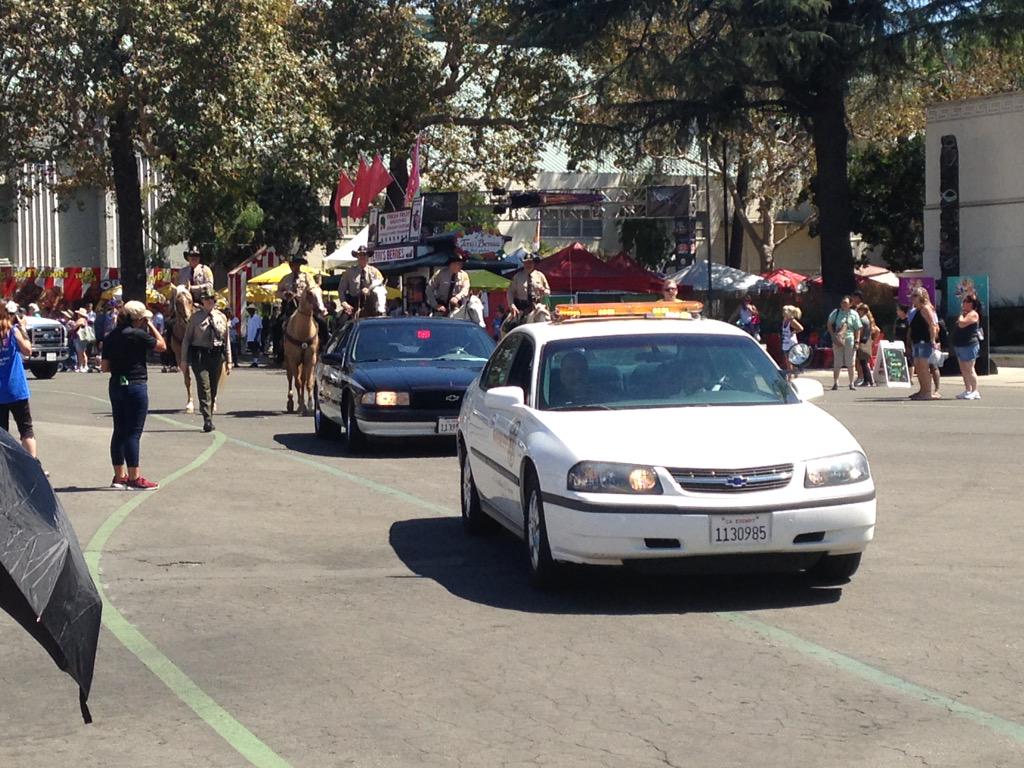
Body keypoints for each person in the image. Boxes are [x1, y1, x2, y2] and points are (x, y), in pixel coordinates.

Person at [102, 300, 166, 490]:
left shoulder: (111, 336)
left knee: (119, 430)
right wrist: (152, 326)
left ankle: (118, 476)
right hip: (135, 383)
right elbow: (162, 346)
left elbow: (105, 367)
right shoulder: (138, 334)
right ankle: (134, 477)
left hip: (116, 383)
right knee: (133, 433)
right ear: (139, 318)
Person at [180, 285, 231, 432]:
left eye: (212, 299)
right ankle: (207, 419)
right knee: (204, 386)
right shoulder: (195, 318)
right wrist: (183, 360)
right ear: (202, 301)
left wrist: (229, 360)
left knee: (213, 387)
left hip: (216, 356)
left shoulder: (221, 317)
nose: (210, 302)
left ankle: (210, 412)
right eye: (207, 300)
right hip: (200, 356)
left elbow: (226, 339)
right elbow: (186, 340)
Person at [0, 301, 40, 465]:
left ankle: (4, 467)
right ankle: (33, 465)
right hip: (16, 388)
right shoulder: (13, 331)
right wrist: (23, 327)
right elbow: (28, 350)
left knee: (2, 432)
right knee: (26, 429)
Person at [908, 287, 939, 400]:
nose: (913, 298)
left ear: (922, 297)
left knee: (923, 367)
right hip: (917, 341)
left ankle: (927, 392)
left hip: (924, 342)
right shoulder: (917, 310)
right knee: (919, 367)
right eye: (912, 295)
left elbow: (933, 325)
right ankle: (922, 390)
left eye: (915, 296)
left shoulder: (926, 309)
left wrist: (932, 340)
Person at [339, 247, 385, 319]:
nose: (362, 257)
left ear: (368, 257)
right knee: (342, 321)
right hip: (353, 303)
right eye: (360, 255)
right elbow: (341, 290)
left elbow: (380, 285)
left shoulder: (375, 271)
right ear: (357, 257)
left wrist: (369, 290)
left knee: (382, 319)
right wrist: (344, 303)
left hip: (370, 302)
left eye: (365, 255)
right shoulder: (349, 272)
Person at [827, 296, 862, 390]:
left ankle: (851, 383)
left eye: (846, 303)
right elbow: (829, 323)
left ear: (850, 304)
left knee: (851, 362)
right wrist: (832, 335)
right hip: (838, 338)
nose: (844, 305)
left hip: (850, 339)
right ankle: (835, 382)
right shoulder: (836, 312)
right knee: (837, 362)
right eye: (842, 303)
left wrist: (857, 341)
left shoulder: (854, 314)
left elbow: (858, 328)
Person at [953, 293, 982, 400]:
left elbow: (962, 323)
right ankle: (967, 389)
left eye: (966, 302)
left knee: (970, 368)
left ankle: (975, 391)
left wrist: (961, 315)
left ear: (972, 304)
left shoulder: (973, 314)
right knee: (963, 369)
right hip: (960, 344)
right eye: (964, 301)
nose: (964, 303)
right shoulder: (965, 313)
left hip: (969, 345)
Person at [506, 253, 551, 319]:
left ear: (534, 263)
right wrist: (512, 305)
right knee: (509, 324)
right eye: (526, 263)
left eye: (530, 263)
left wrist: (544, 291)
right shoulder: (517, 276)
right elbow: (510, 292)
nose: (528, 265)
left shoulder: (540, 275)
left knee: (546, 320)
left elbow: (548, 290)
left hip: (537, 307)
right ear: (523, 264)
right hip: (521, 308)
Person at [854, 303, 879, 387]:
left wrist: (857, 340)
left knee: (864, 363)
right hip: (867, 342)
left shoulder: (862, 320)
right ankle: (869, 380)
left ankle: (868, 381)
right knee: (864, 362)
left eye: (859, 310)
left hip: (863, 342)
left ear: (862, 311)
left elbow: (860, 332)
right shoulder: (867, 319)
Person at [781, 305, 804, 380]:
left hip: (791, 343)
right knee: (787, 361)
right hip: (785, 343)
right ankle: (791, 377)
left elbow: (801, 328)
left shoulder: (792, 321)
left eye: (785, 311)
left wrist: (794, 332)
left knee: (791, 361)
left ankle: (792, 378)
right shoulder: (784, 320)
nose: (783, 313)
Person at [72, 307, 93, 372]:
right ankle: (82, 366)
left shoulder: (81, 319)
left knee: (81, 352)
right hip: (81, 338)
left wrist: (75, 325)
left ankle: (84, 366)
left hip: (80, 337)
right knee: (81, 352)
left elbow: (76, 326)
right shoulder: (84, 320)